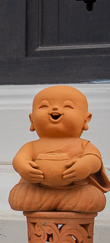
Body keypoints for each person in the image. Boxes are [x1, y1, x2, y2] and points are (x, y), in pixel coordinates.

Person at [9, 85, 109, 213]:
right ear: (32, 119)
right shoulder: (31, 146)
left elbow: (94, 159)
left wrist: (86, 165)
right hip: (39, 190)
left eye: (67, 106)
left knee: (93, 197)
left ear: (86, 119)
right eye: (44, 106)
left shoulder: (83, 145)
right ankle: (58, 201)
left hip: (74, 190)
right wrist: (23, 167)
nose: (55, 108)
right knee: (20, 195)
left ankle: (54, 201)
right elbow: (19, 160)